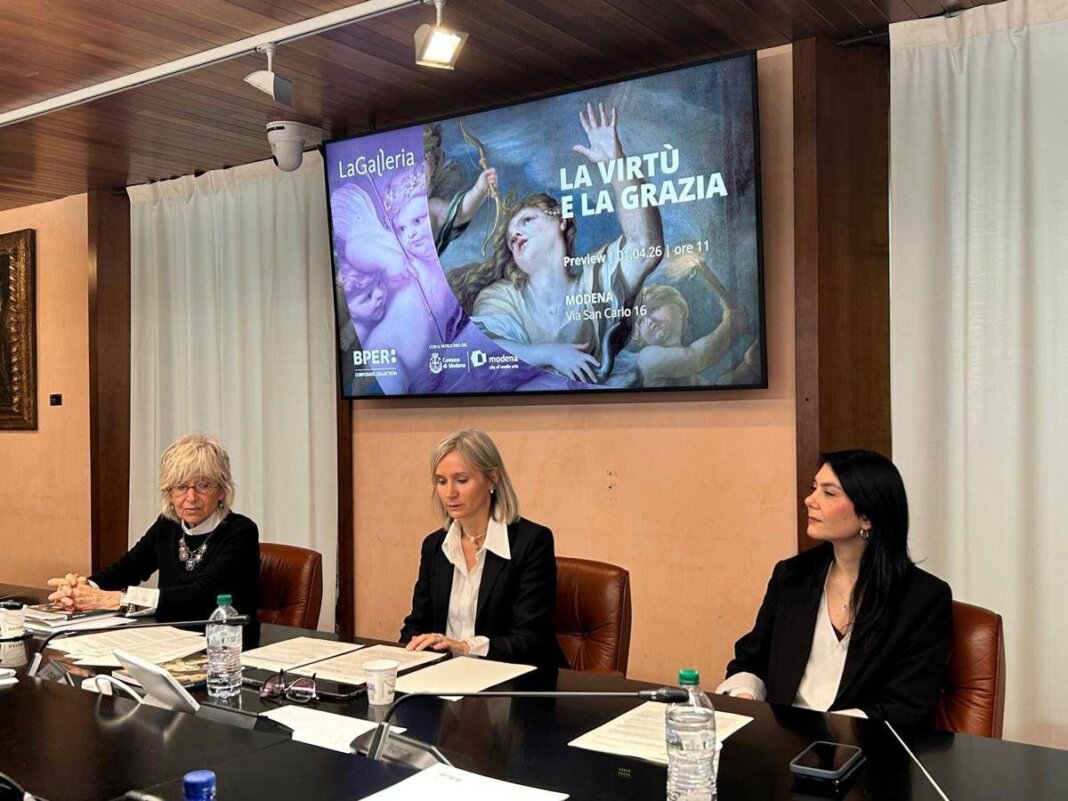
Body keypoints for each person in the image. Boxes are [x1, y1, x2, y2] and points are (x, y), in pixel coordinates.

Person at [716, 450, 953, 728]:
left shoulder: (923, 598)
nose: (810, 500)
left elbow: (907, 706)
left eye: (829, 493)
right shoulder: (792, 576)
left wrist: (829, 730)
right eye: (814, 488)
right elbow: (750, 660)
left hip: (864, 746)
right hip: (782, 741)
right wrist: (746, 696)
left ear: (867, 516)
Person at [449, 102, 665, 384]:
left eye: (527, 220)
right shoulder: (501, 298)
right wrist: (550, 354)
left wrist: (615, 161)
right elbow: (482, 352)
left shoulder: (595, 283)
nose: (516, 236)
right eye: (511, 237)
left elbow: (645, 246)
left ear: (561, 221)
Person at [46, 434, 259, 623]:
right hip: (169, 639)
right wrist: (83, 587)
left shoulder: (242, 531)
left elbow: (202, 594)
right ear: (169, 493)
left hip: (225, 644)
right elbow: (127, 569)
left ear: (222, 491)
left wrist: (120, 600)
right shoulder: (168, 525)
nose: (191, 497)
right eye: (181, 486)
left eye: (203, 485)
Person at [400, 428, 566, 667]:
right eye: (441, 481)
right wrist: (412, 647)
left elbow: (531, 640)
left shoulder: (532, 542)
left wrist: (466, 647)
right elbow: (416, 624)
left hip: (512, 678)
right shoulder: (435, 546)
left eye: (462, 480)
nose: (450, 493)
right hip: (445, 676)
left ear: (492, 478)